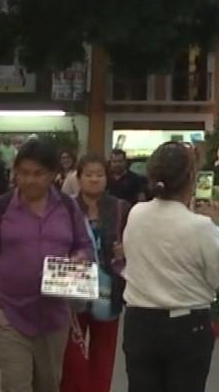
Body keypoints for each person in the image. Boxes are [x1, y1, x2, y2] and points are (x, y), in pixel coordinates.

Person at [122, 142, 219, 392]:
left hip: (139, 321)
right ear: (191, 179)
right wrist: (213, 225)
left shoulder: (136, 213)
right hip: (186, 324)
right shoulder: (200, 226)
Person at [0, 138, 93, 392]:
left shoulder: (68, 207)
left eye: (38, 173)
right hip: (9, 312)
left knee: (49, 384)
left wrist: (80, 258)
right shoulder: (1, 208)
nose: (29, 180)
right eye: (23, 173)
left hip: (54, 315)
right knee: (15, 385)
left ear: (53, 174)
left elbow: (85, 245)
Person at [60, 155, 127, 392]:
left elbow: (134, 240)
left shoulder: (120, 208)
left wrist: (125, 249)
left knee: (104, 353)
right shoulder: (66, 207)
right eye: (88, 174)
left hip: (108, 287)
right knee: (72, 355)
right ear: (78, 178)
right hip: (74, 286)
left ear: (107, 178)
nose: (94, 179)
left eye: (99, 174)